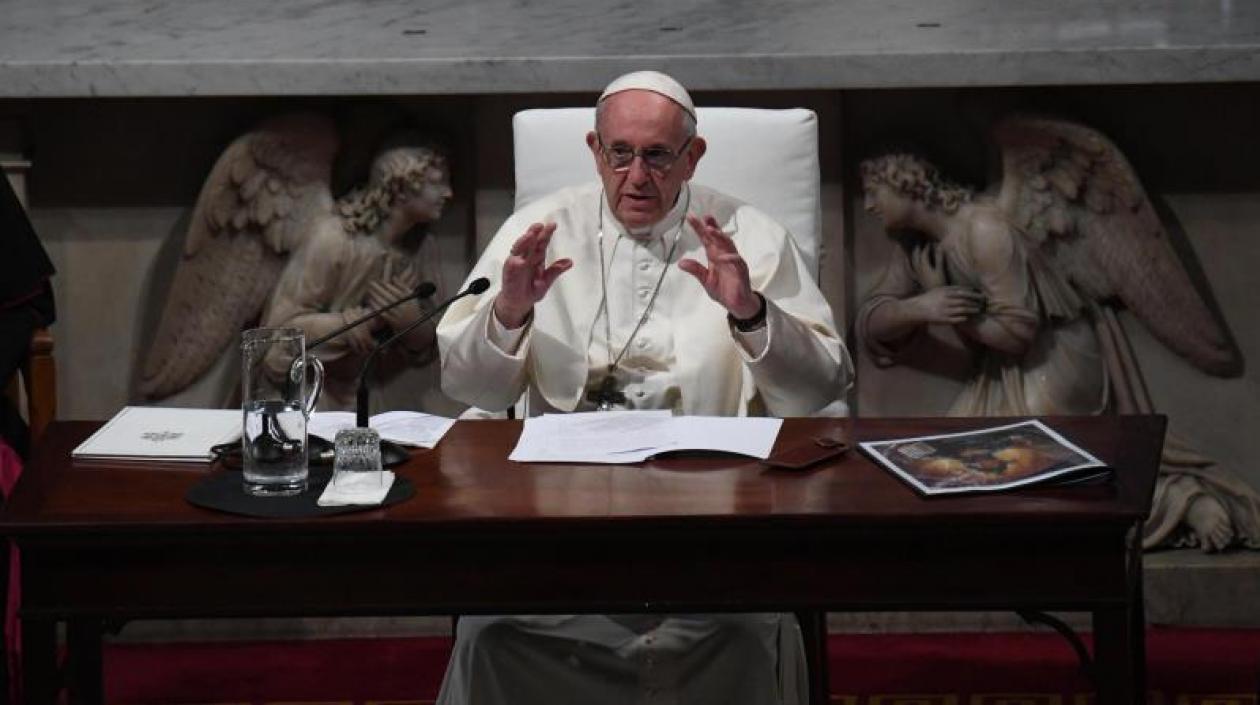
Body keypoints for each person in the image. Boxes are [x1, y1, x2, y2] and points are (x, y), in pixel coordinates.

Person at [435, 71, 852, 704]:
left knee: (739, 638)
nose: (636, 176)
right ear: (594, 150)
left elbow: (819, 386)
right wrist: (510, 313)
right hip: (558, 513)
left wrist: (749, 312)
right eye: (619, 153)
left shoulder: (748, 236)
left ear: (693, 155)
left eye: (657, 155)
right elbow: (473, 390)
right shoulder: (537, 232)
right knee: (494, 636)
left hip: (710, 508)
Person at [856, 151, 1260, 552]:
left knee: (1038, 472)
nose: (870, 205)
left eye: (875, 192)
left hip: (1056, 358)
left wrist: (953, 316)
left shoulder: (984, 230)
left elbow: (1017, 334)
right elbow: (871, 319)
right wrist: (918, 308)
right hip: (1004, 370)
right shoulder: (918, 246)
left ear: (906, 184)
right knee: (950, 472)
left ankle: (1179, 499)